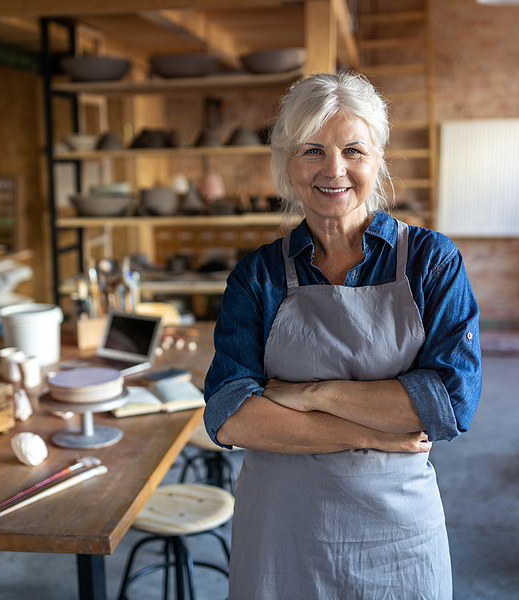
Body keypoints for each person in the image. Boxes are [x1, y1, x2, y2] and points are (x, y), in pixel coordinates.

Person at [202, 71, 482, 599]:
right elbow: (231, 415)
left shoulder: (428, 262)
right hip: (282, 531)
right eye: (313, 150)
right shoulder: (258, 276)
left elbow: (445, 404)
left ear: (377, 158)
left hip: (396, 535)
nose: (334, 170)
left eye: (353, 149)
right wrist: (372, 433)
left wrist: (310, 394)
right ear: (287, 163)